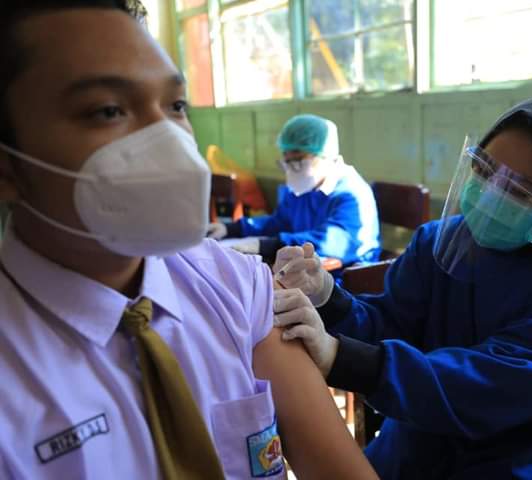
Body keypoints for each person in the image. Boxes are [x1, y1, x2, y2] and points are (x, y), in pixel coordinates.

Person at [0, 2, 378, 479]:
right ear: (7, 167)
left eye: (176, 105)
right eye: (108, 110)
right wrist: (245, 233)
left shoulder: (238, 289)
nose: (165, 137)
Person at [272, 97, 532, 479]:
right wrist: (330, 298)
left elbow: (487, 387)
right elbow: (391, 324)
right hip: (420, 437)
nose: (491, 194)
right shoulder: (441, 242)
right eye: (483, 168)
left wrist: (343, 359)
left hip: (523, 458)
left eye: (520, 191)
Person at [207, 114, 381, 266]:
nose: (291, 170)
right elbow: (280, 222)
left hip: (348, 280)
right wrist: (231, 229)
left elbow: (333, 242)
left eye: (297, 162)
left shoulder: (352, 194)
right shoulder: (304, 189)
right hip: (309, 273)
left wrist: (269, 245)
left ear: (326, 156)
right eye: (286, 162)